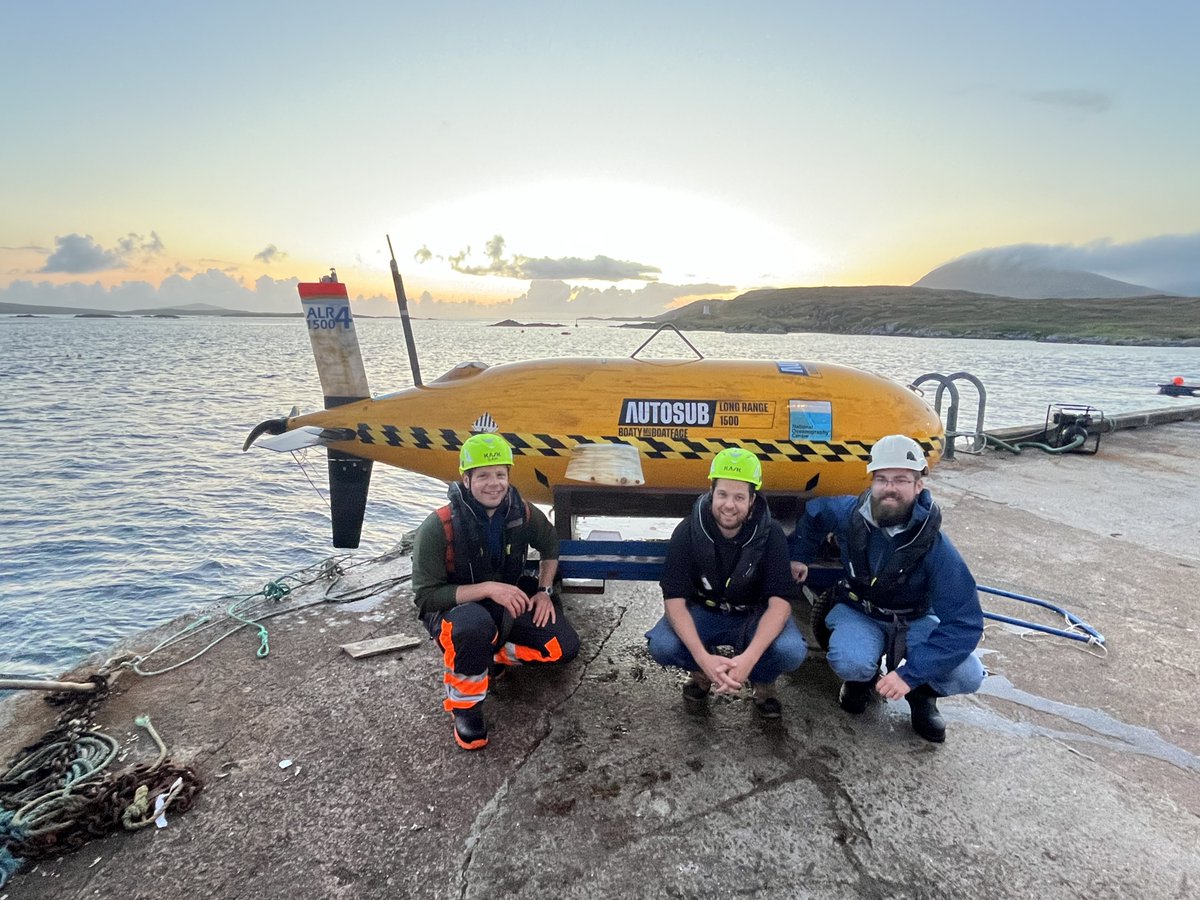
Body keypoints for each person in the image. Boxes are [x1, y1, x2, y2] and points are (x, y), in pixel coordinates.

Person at [789, 434, 985, 743]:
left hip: (915, 618)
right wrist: (799, 555)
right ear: (871, 480)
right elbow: (815, 514)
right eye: (882, 479)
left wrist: (911, 675)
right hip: (859, 611)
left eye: (901, 479)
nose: (889, 488)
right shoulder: (848, 513)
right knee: (850, 659)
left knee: (969, 673)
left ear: (918, 485)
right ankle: (860, 682)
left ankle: (922, 695)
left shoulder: (937, 547)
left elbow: (965, 622)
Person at [411, 433, 580, 750]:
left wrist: (544, 590)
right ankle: (466, 708)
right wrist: (489, 588)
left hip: (507, 605)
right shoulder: (437, 527)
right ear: (466, 478)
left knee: (563, 647)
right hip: (457, 613)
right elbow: (426, 597)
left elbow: (549, 547)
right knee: (473, 627)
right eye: (483, 475)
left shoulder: (523, 512)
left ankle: (490, 655)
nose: (494, 484)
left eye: (500, 474)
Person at [646, 447, 808, 718]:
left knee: (791, 650)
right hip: (704, 610)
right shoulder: (687, 530)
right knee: (662, 645)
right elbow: (674, 600)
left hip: (752, 614)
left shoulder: (772, 534)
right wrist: (702, 658)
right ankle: (702, 674)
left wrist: (749, 660)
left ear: (752, 500)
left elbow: (779, 605)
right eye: (722, 494)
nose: (729, 505)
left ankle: (763, 681)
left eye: (739, 497)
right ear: (712, 494)